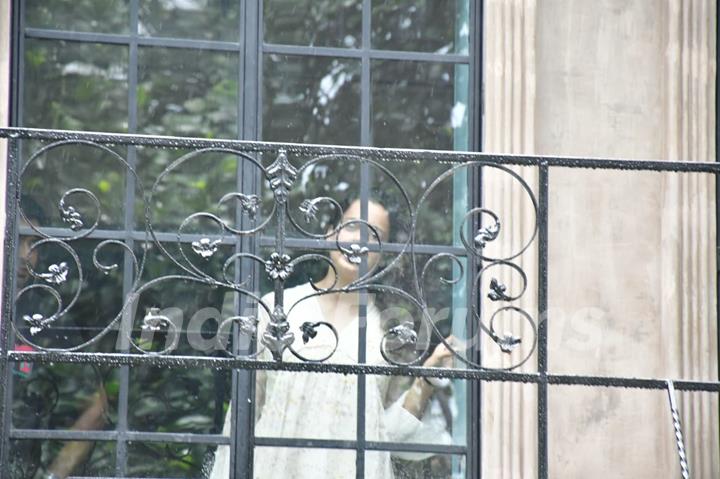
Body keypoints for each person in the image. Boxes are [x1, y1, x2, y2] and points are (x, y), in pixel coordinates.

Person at [210, 199, 456, 478]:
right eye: (352, 227)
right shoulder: (278, 308)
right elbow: (243, 414)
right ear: (330, 233)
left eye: (374, 235)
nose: (359, 241)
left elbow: (391, 433)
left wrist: (427, 379)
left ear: (383, 253)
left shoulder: (389, 330)